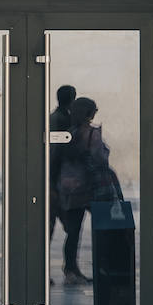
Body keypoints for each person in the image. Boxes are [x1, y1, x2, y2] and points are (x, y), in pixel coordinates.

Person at [55, 95, 104, 285]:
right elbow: (100, 159)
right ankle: (100, 267)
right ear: (90, 113)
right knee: (104, 228)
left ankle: (71, 269)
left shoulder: (68, 133)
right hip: (89, 187)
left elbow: (55, 160)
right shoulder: (92, 134)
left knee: (73, 231)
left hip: (69, 188)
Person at [48, 84, 78, 280]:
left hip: (59, 183)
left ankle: (69, 268)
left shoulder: (58, 118)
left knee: (58, 229)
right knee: (71, 229)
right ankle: (70, 269)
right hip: (60, 185)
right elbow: (55, 154)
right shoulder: (61, 120)